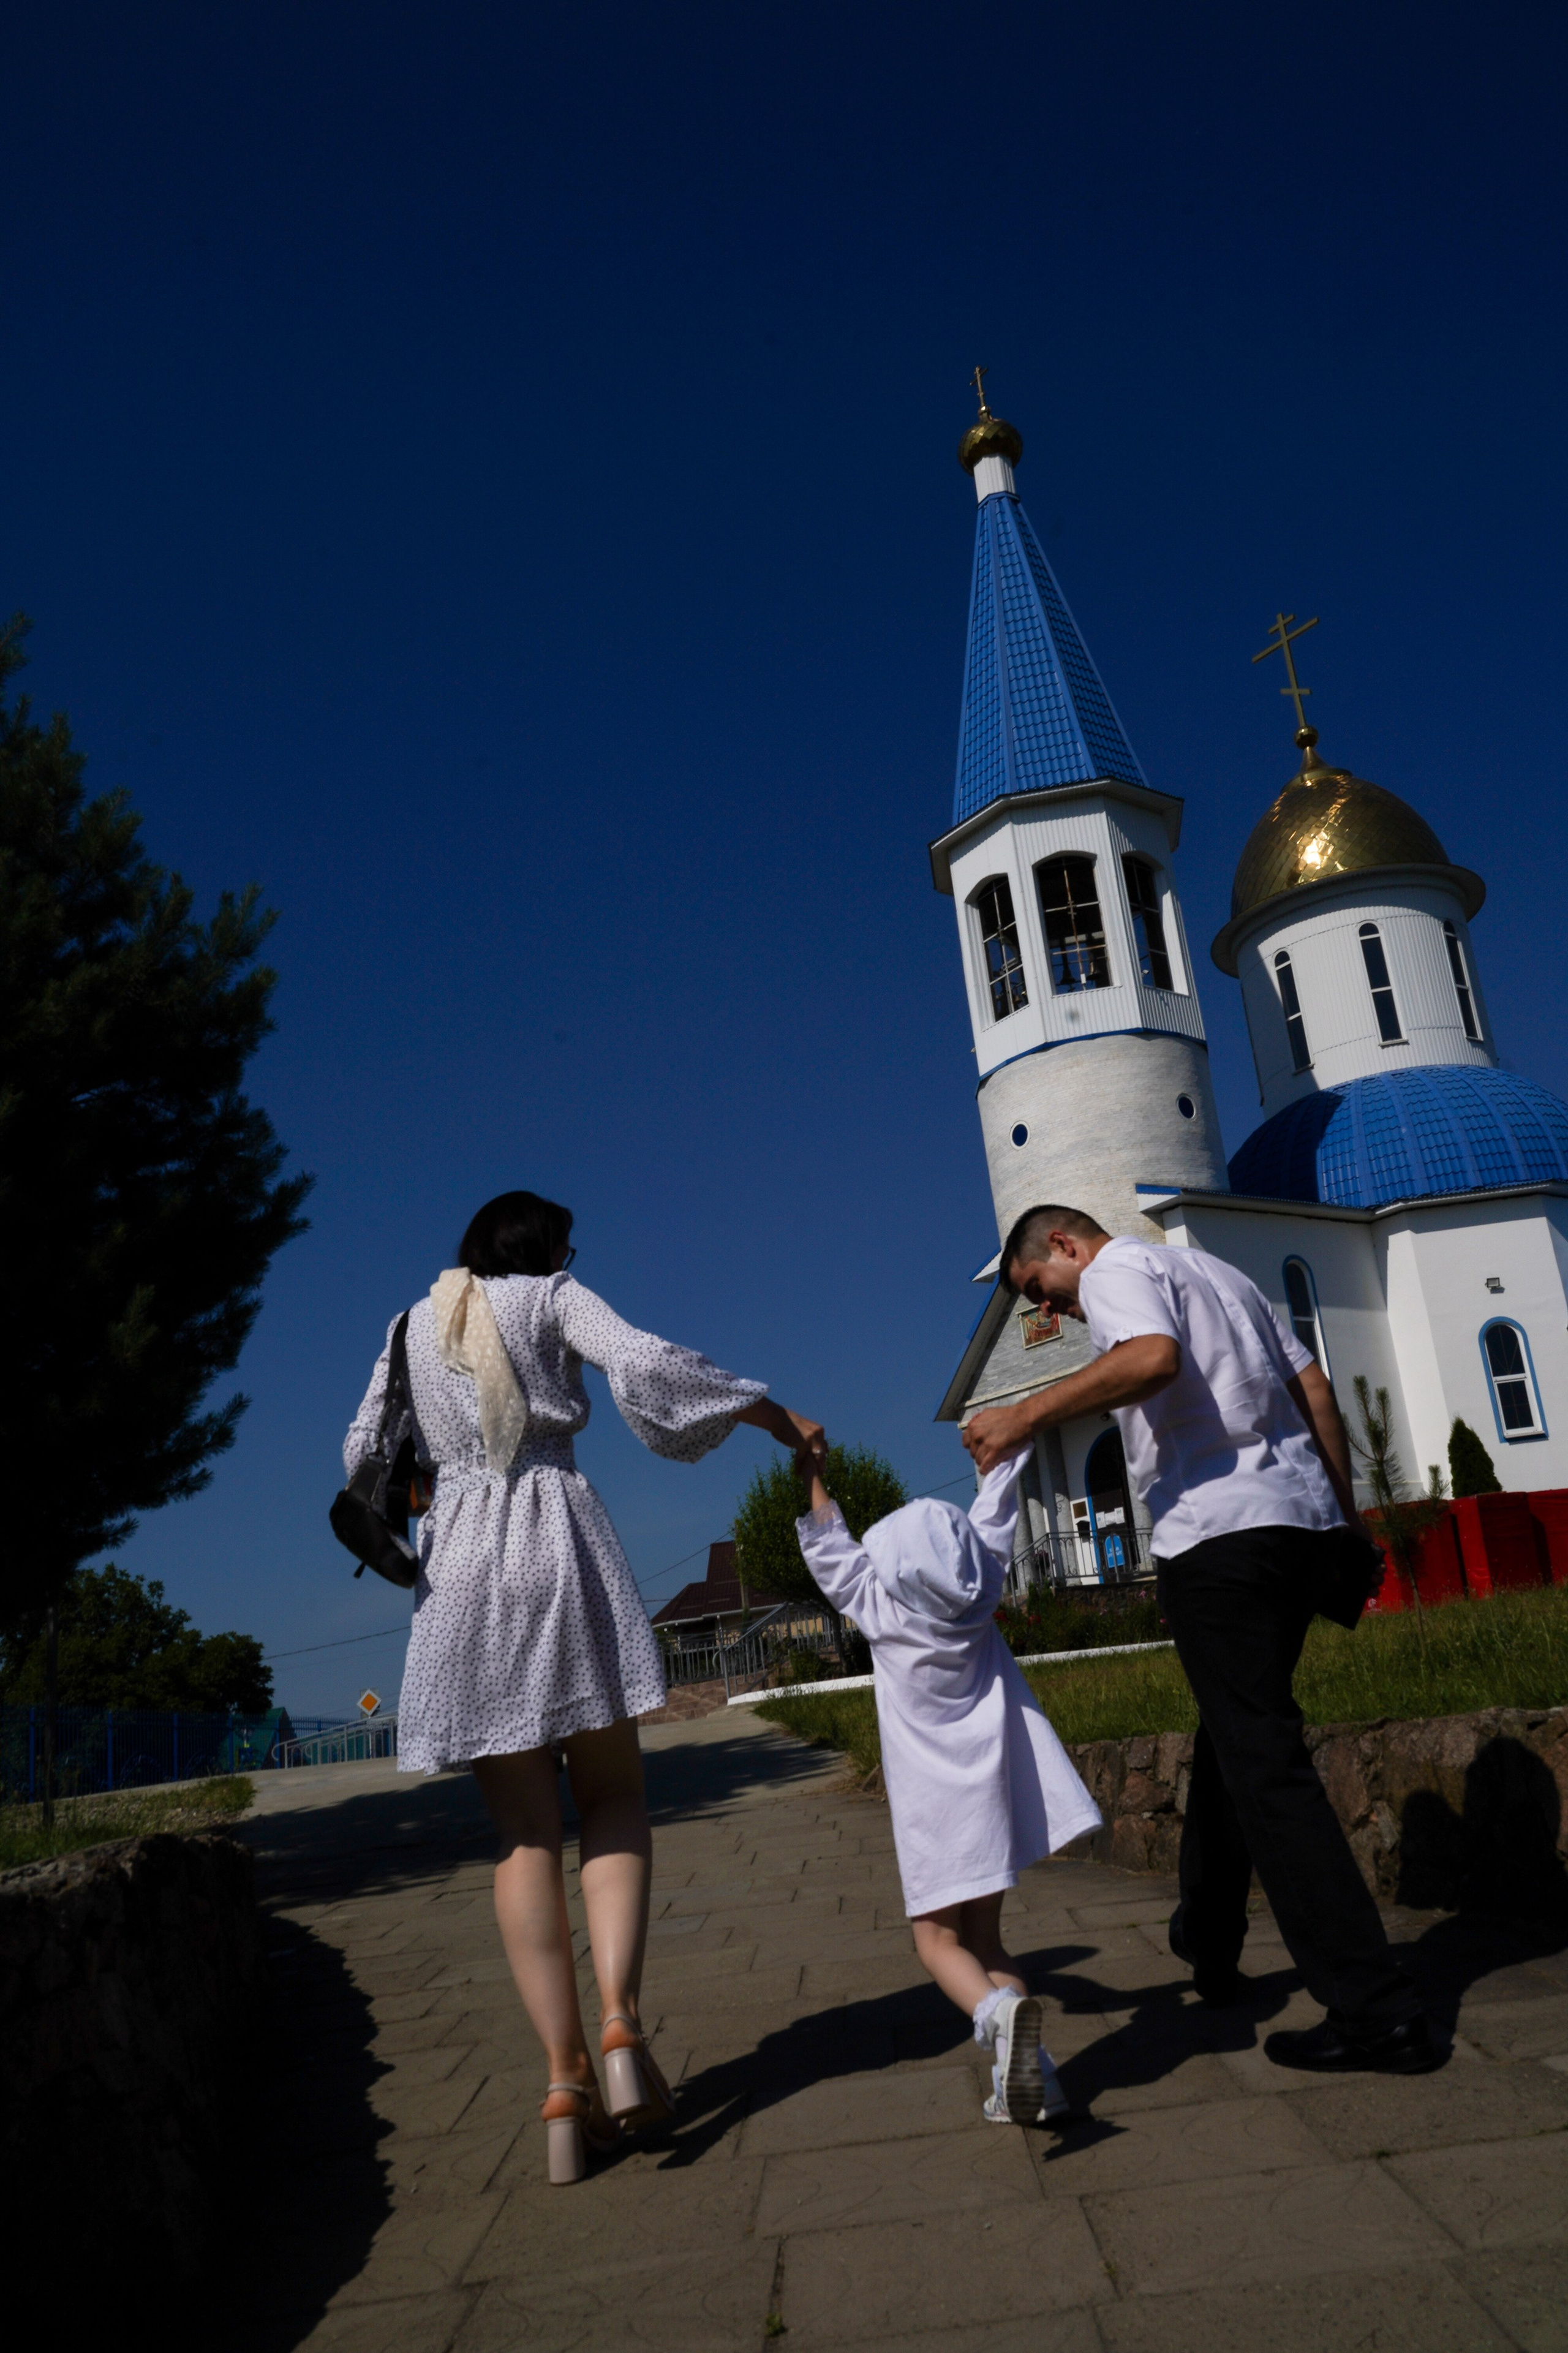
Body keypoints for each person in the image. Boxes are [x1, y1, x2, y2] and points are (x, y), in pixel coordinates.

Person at [343, 1189, 824, 2183]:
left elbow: (361, 1455)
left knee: (522, 1834)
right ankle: (618, 2028)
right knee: (611, 1795)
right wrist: (772, 1415)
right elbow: (646, 1362)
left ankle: (563, 2084)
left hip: (462, 1565)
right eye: (570, 1240)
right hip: (556, 1540)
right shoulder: (552, 1297)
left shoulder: (407, 1327)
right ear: (546, 1246)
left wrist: (445, 1479)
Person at [963, 1203, 1439, 2076]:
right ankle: (1209, 1936)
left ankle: (1378, 2011)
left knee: (1266, 1766)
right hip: (1295, 1529)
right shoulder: (1223, 1276)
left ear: (1064, 1245)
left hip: (1221, 1541)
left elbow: (1151, 1360)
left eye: (1044, 1292)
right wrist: (1348, 1525)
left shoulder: (1112, 1273)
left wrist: (1027, 1413)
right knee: (1236, 1737)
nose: (1058, 1315)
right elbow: (1316, 1392)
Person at [792, 1443, 1101, 2123]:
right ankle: (1037, 2076)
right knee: (988, 1942)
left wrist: (812, 1475)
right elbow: (992, 1514)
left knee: (936, 1943)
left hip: (934, 1813)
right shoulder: (981, 1591)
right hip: (988, 1799)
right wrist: (1005, 1448)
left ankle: (995, 2013)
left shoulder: (883, 1610)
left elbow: (831, 1552)